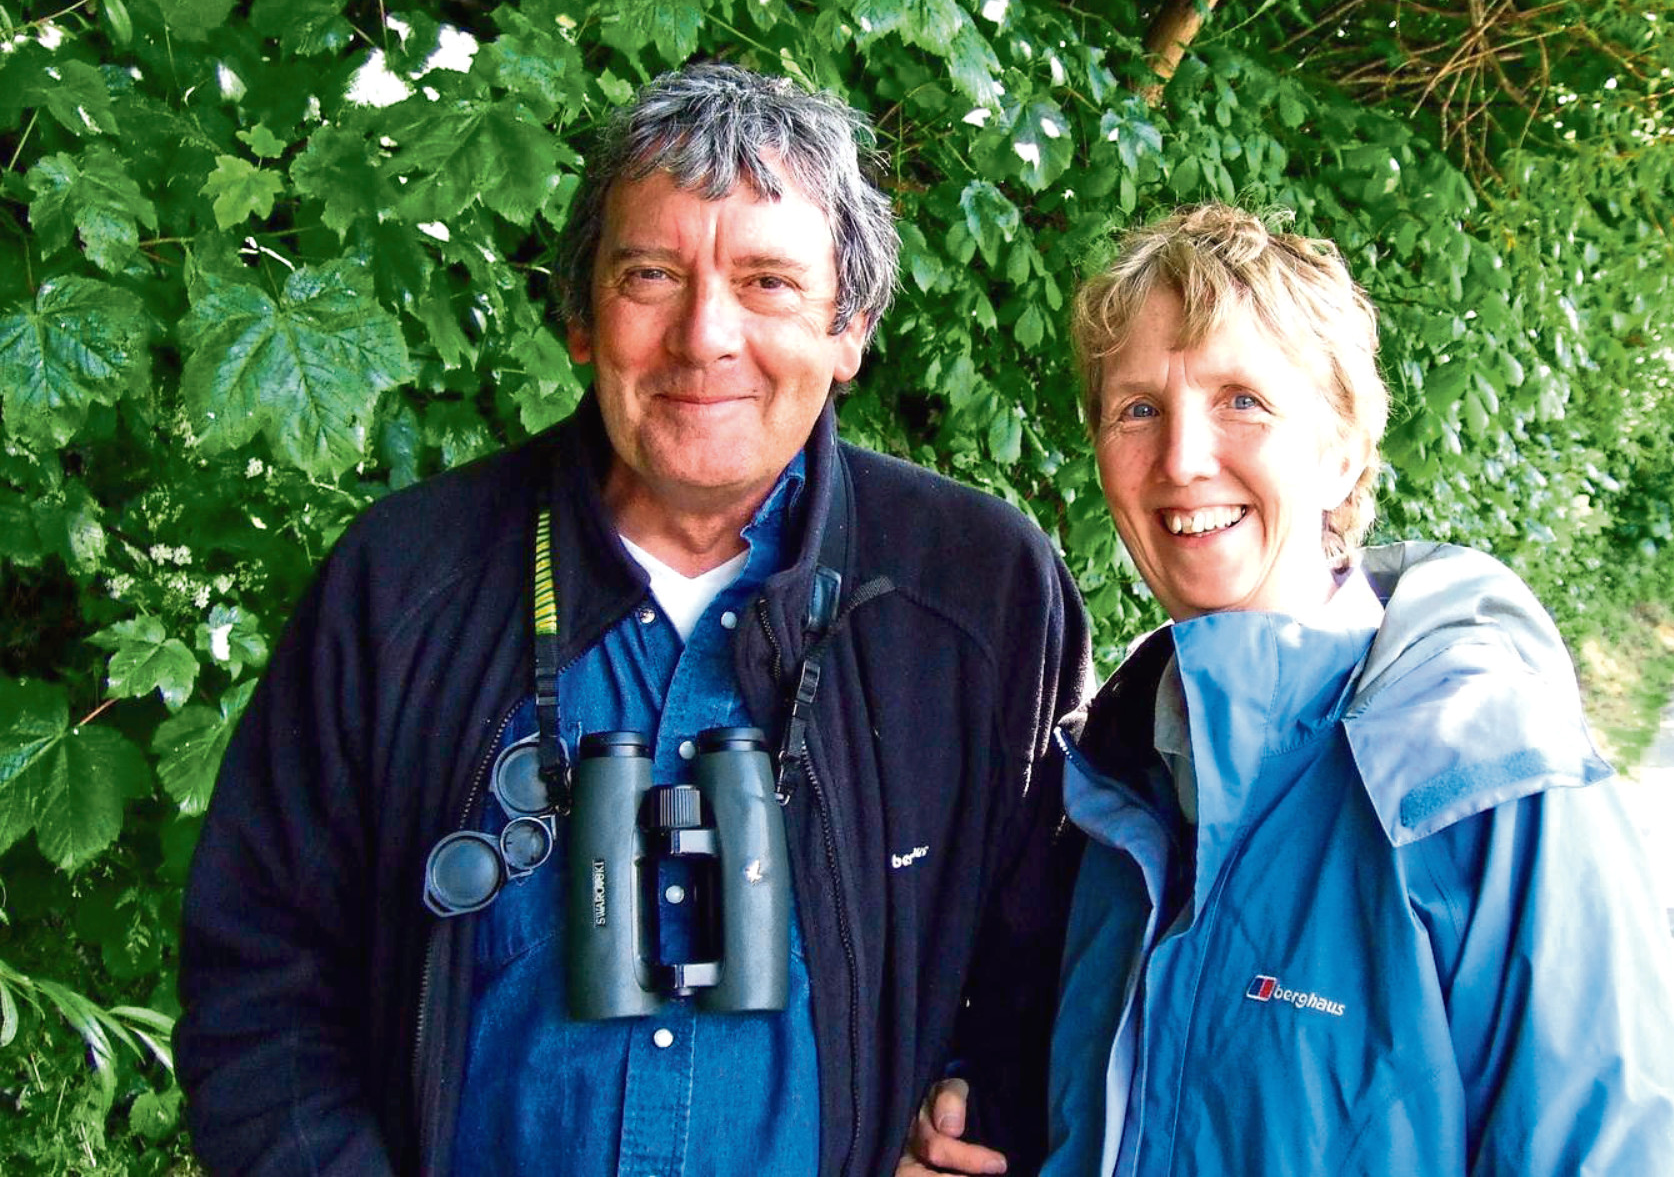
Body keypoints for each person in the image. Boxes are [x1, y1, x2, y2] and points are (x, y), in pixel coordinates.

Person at [175, 62, 1090, 1176]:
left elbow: (1055, 962)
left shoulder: (977, 593)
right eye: (652, 274)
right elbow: (257, 980)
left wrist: (976, 1108)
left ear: (850, 329)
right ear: (578, 315)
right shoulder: (404, 583)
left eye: (767, 283)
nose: (705, 336)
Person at [908, 202, 1674, 1175]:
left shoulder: (1481, 770)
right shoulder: (1108, 780)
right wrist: (985, 1107)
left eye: (1242, 399)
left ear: (1342, 450)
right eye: (1138, 409)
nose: (1183, 457)